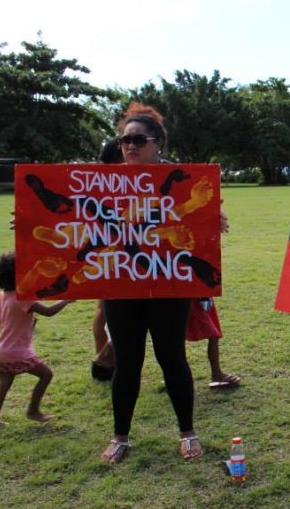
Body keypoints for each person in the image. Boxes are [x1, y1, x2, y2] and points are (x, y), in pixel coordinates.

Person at [99, 102, 202, 463]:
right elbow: (73, 221)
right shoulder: (103, 184)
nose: (129, 145)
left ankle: (188, 431)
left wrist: (214, 223)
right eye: (124, 139)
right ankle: (121, 437)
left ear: (157, 143)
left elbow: (197, 222)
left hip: (168, 285)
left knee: (172, 357)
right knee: (127, 362)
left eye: (137, 139)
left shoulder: (182, 180)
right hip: (121, 286)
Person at [0, 252, 70, 426]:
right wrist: (66, 300)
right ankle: (33, 410)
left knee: (4, 384)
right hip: (16, 352)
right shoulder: (24, 298)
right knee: (46, 375)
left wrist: (19, 321)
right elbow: (49, 312)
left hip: (0, 350)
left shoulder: (1, 295)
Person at [91, 138, 123, 381]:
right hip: (109, 256)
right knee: (104, 311)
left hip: (129, 256)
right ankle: (107, 359)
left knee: (106, 312)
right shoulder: (101, 184)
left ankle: (107, 359)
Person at [186, 297, 241, 388]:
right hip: (191, 295)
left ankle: (216, 373)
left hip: (201, 295)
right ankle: (216, 373)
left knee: (214, 334)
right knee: (213, 333)